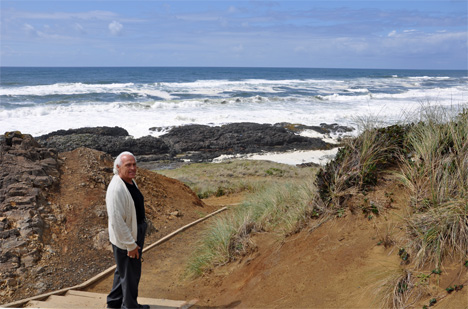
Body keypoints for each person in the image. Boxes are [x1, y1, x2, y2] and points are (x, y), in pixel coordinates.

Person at [106, 151, 148, 309]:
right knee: (131, 273)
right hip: (128, 236)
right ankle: (130, 306)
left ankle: (114, 303)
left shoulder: (129, 181)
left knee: (123, 270)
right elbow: (117, 221)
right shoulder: (116, 189)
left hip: (134, 231)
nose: (132, 168)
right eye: (128, 165)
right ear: (118, 167)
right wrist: (130, 244)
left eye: (134, 164)